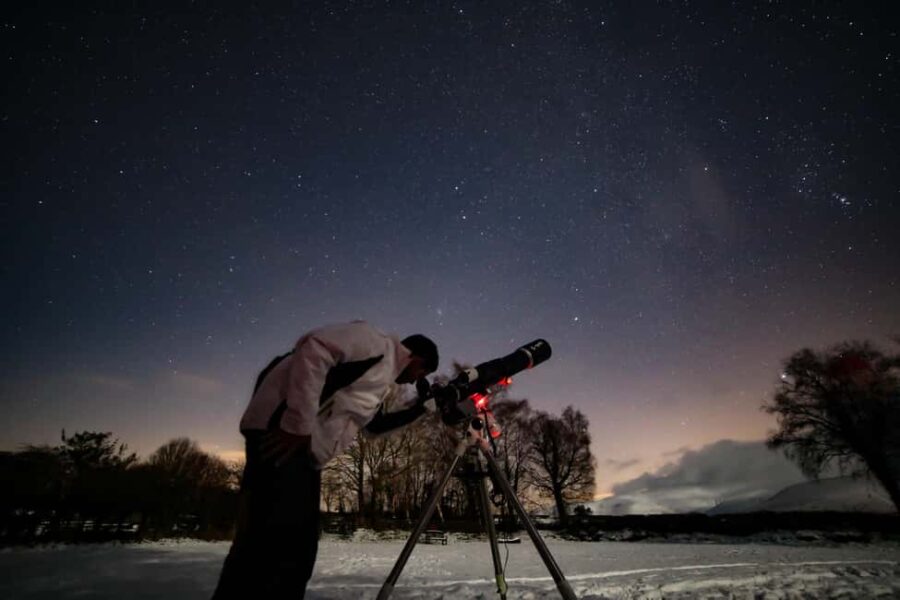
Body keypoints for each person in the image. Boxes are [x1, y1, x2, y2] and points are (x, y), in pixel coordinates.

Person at [211, 320, 439, 599]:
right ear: (416, 358)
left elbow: (374, 427)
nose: (416, 380)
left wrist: (422, 409)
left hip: (303, 454)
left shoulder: (379, 382)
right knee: (279, 550)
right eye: (421, 373)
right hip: (282, 437)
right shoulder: (375, 343)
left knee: (285, 548)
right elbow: (315, 348)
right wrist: (297, 424)